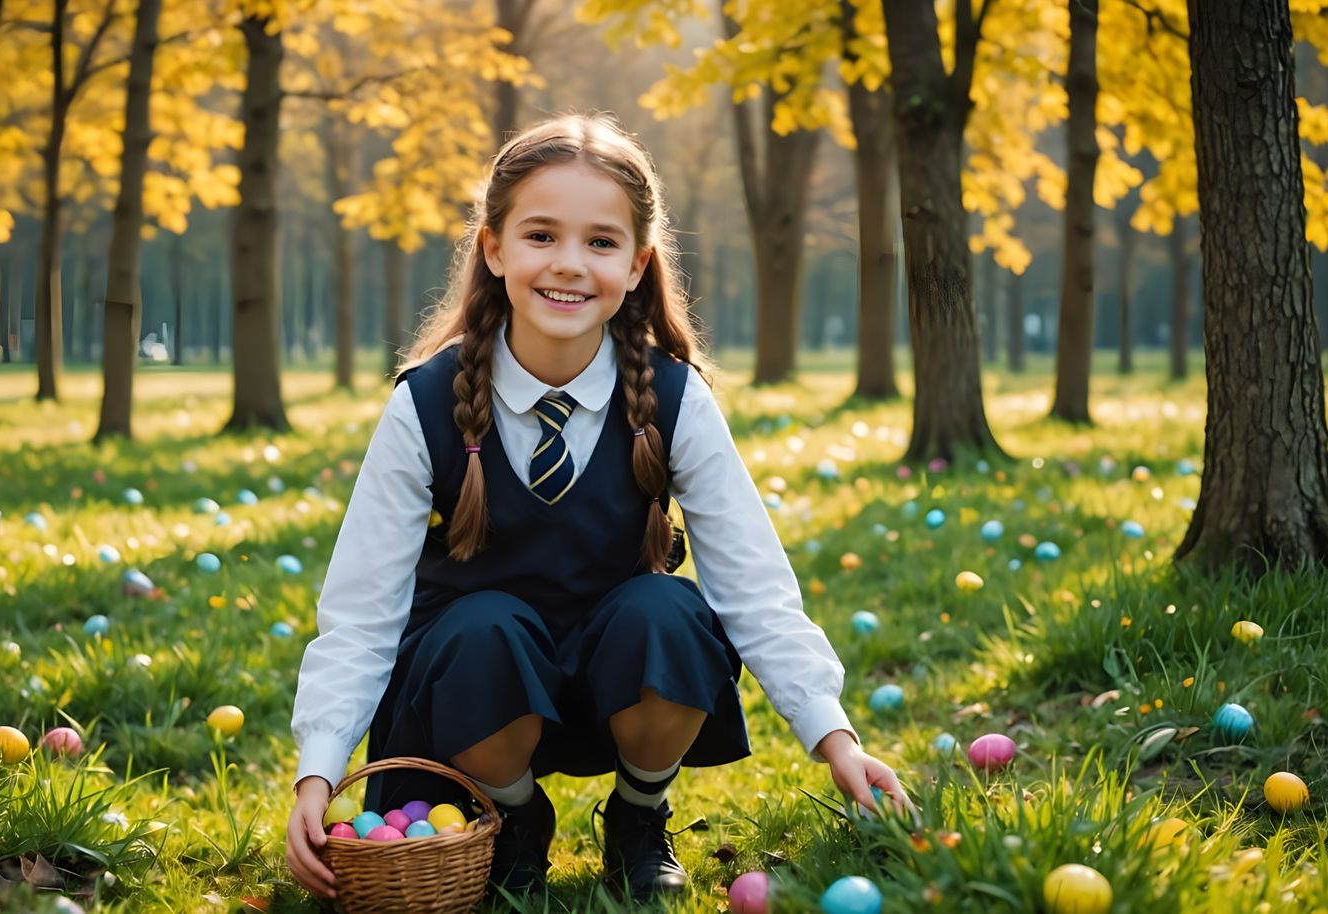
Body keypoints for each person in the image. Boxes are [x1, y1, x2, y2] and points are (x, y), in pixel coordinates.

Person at [284, 112, 908, 905]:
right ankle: (513, 818)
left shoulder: (674, 398)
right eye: (541, 235)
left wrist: (835, 737)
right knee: (484, 628)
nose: (570, 265)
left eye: (601, 242)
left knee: (669, 611)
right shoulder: (426, 404)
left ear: (639, 264)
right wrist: (319, 770)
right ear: (493, 247)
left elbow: (753, 584)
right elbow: (362, 611)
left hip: (622, 682)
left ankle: (639, 816)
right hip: (477, 695)